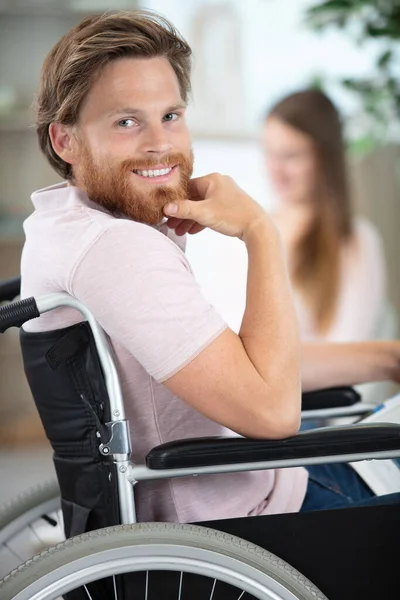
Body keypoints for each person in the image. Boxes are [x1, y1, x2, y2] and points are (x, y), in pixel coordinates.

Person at [21, 11, 400, 523]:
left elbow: (240, 370)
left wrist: (386, 357)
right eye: (126, 122)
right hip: (263, 514)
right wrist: (258, 232)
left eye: (171, 116)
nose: (160, 144)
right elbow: (271, 412)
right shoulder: (116, 248)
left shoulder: (66, 225)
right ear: (64, 140)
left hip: (261, 486)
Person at [262, 89, 390, 343]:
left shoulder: (356, 241)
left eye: (290, 156)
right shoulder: (251, 229)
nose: (275, 170)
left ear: (324, 159)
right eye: (268, 153)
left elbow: (351, 349)